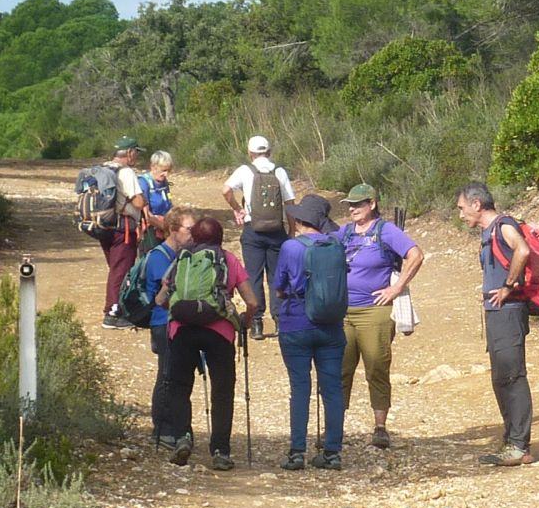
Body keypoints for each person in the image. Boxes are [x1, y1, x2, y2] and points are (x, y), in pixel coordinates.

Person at [161, 216, 258, 470]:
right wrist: (245, 321)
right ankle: (220, 450)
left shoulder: (182, 259)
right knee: (222, 392)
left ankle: (183, 437)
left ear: (195, 237)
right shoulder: (228, 259)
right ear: (220, 237)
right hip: (219, 332)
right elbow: (253, 302)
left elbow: (162, 297)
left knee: (180, 387)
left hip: (182, 330)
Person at [336, 183, 424, 449]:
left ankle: (380, 426)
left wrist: (396, 288)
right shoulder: (345, 233)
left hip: (375, 311)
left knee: (376, 367)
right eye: (350, 205)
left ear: (372, 204)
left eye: (358, 204)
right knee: (340, 369)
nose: (353, 209)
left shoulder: (386, 231)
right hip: (343, 312)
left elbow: (415, 255)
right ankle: (334, 427)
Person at [455, 182, 535, 466]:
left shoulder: (502, 225)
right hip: (498, 312)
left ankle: (519, 446)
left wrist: (507, 287)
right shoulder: (489, 231)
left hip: (509, 311)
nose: (461, 215)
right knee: (501, 377)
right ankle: (512, 441)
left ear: (477, 204)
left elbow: (522, 251)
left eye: (462, 208)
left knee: (512, 376)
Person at [273, 194, 346, 470]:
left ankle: (296, 452)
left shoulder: (291, 247)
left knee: (300, 388)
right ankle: (332, 452)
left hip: (296, 325)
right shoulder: (336, 244)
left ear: (300, 220)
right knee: (332, 389)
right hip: (331, 325)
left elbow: (279, 286)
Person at [221, 135, 296, 341]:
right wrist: (291, 229)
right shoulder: (279, 172)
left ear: (250, 153)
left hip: (252, 229)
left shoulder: (245, 171)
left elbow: (226, 190)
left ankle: (257, 324)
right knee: (276, 275)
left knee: (253, 275)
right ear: (269, 152)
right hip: (276, 230)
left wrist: (238, 209)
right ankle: (280, 320)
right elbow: (290, 203)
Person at [144, 206, 195, 449]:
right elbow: (161, 296)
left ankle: (179, 426)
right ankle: (162, 428)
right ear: (174, 230)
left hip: (178, 323)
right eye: (189, 229)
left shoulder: (183, 255)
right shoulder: (157, 256)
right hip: (162, 323)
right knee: (165, 375)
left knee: (178, 376)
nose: (193, 234)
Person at [101, 136, 146, 329]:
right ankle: (113, 313)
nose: (136, 156)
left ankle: (116, 308)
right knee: (121, 270)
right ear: (129, 153)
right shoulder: (126, 172)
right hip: (124, 227)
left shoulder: (104, 168)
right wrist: (143, 201)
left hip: (104, 226)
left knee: (115, 268)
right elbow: (138, 201)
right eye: (136, 152)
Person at [137, 150, 174, 255]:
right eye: (163, 170)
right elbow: (146, 214)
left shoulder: (164, 182)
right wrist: (165, 228)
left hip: (165, 228)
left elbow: (169, 204)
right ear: (153, 167)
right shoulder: (143, 183)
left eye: (168, 170)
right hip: (150, 231)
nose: (166, 174)